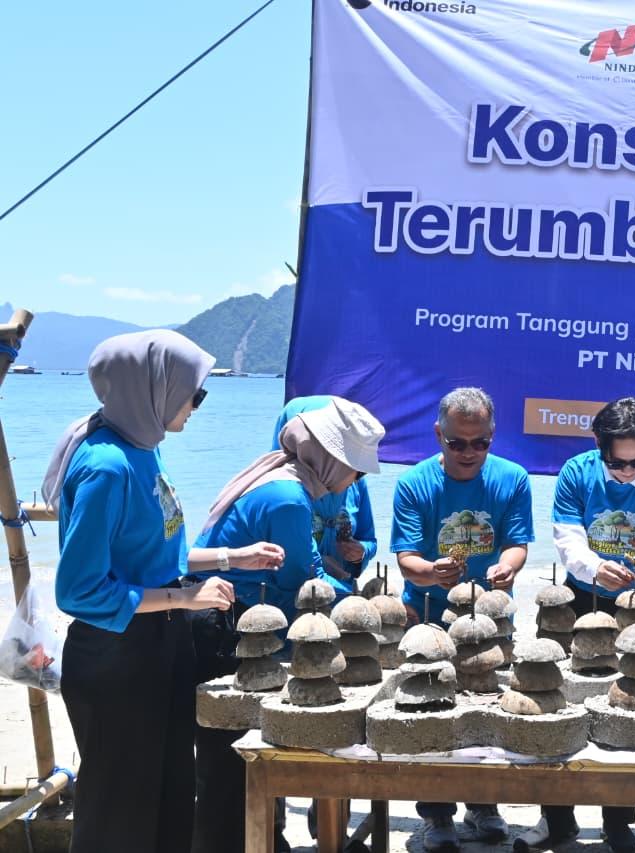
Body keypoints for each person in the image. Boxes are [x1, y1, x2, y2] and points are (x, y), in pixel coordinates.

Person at [44, 330, 281, 853]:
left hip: (159, 646)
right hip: (114, 658)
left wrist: (231, 558)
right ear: (151, 387)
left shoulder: (145, 448)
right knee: (118, 811)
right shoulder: (106, 466)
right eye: (191, 392)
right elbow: (80, 590)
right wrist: (183, 599)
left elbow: (155, 557)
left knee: (170, 796)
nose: (196, 404)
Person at [188, 397, 385, 853]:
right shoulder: (290, 499)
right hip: (225, 625)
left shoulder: (287, 481)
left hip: (232, 617)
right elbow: (303, 581)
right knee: (229, 759)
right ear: (331, 459)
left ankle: (265, 838)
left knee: (233, 759)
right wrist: (363, 606)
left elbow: (311, 566)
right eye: (355, 470)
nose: (356, 481)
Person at [519, 397, 635, 853]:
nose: (627, 471)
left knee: (630, 704)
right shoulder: (576, 473)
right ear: (597, 444)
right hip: (577, 599)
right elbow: (568, 538)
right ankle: (556, 820)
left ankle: (619, 824)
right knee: (555, 703)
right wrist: (594, 567)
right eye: (616, 462)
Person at [391, 386, 532, 852]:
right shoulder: (414, 484)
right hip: (430, 614)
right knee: (434, 716)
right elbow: (407, 557)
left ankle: (484, 805)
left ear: (493, 435)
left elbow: (517, 542)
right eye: (457, 443)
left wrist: (508, 566)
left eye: (480, 442)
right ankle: (436, 815)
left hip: (490, 619)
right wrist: (432, 572)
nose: (469, 452)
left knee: (485, 710)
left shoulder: (513, 479)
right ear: (438, 435)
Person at [272, 395, 377, 596]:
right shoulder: (286, 492)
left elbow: (369, 539)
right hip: (294, 600)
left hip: (339, 590)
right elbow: (289, 567)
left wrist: (360, 551)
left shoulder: (353, 480)